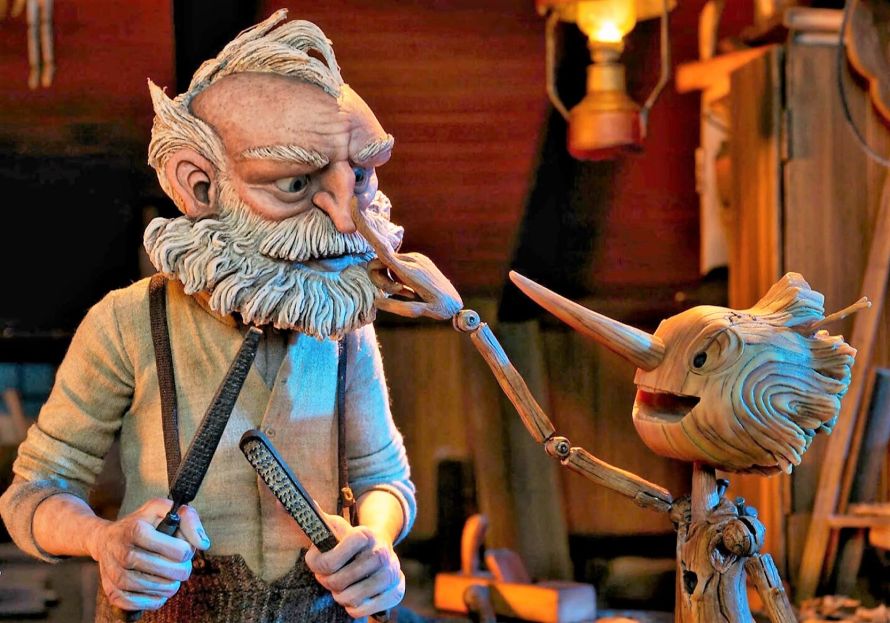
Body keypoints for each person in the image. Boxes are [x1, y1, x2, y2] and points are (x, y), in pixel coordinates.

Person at [0, 10, 416, 622]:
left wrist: (376, 542)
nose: (345, 216)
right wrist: (104, 541)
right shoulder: (128, 322)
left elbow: (386, 479)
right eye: (294, 185)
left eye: (358, 175)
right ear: (199, 185)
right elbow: (34, 493)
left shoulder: (345, 327)